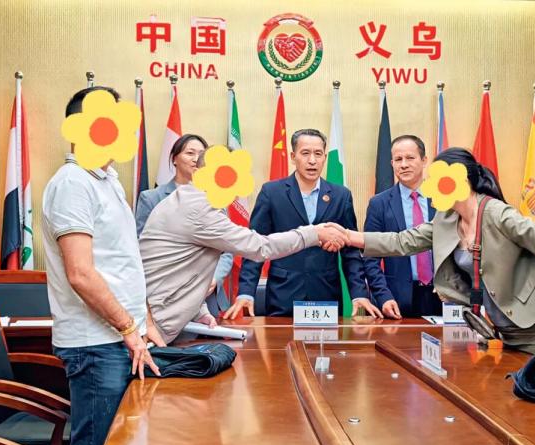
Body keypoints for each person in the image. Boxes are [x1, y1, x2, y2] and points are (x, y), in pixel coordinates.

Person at [345, 148, 535, 355]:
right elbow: (402, 241)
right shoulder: (446, 219)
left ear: (460, 180)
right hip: (501, 331)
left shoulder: (497, 214)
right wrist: (348, 236)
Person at [42, 86, 161, 445]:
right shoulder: (73, 183)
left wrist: (145, 322)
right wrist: (128, 327)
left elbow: (123, 261)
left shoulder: (108, 181)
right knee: (99, 441)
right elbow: (80, 273)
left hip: (121, 337)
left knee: (125, 439)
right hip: (96, 344)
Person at [140, 147, 349, 343]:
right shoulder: (200, 208)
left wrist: (198, 311)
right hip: (152, 325)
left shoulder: (188, 198)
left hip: (158, 317)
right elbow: (259, 247)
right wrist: (313, 233)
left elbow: (187, 269)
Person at [224, 128, 374, 318]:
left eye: (318, 154)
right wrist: (246, 292)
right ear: (293, 157)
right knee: (280, 339)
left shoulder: (340, 195)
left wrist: (359, 293)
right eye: (305, 153)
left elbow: (350, 251)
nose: (312, 160)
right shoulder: (272, 192)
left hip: (326, 294)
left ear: (325, 157)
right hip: (283, 294)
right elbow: (254, 245)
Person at [135, 134, 233, 315]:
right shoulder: (151, 198)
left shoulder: (216, 198)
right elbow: (143, 249)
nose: (196, 159)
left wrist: (214, 278)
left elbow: (226, 249)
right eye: (190, 153)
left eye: (201, 154)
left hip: (209, 296)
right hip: (167, 297)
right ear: (174, 159)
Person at [363, 135, 442, 319]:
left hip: (441, 296)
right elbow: (370, 258)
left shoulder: (444, 200)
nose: (404, 164)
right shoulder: (379, 204)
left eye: (410, 158)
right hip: (396, 299)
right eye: (398, 159)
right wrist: (383, 296)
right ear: (392, 163)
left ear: (424, 160)